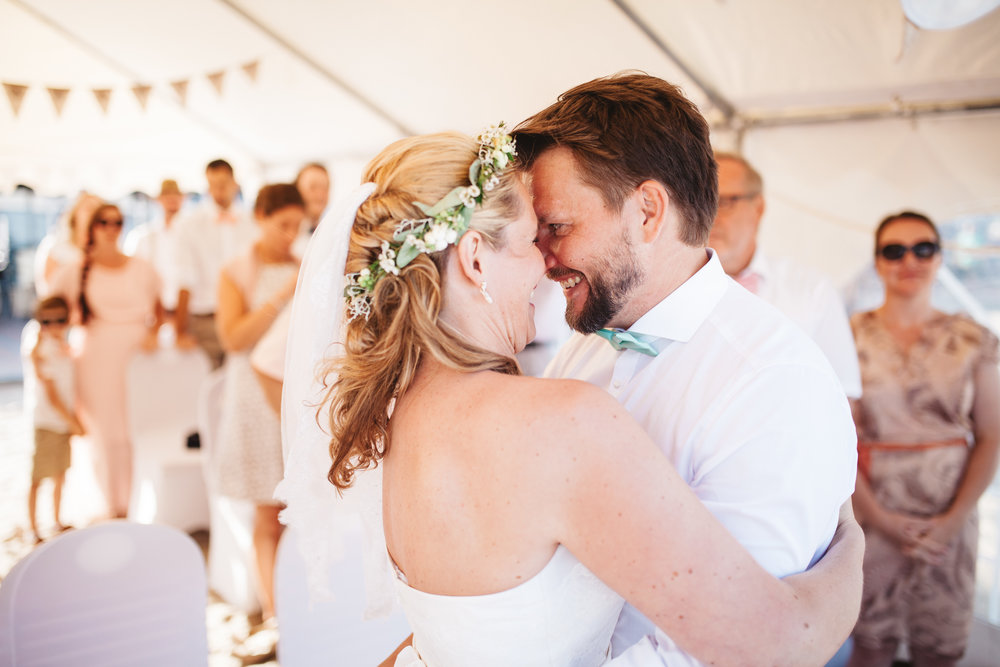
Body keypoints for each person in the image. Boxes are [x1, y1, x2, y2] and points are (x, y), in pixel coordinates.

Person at [280, 127, 864, 667]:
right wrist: (852, 552)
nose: (545, 262)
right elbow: (781, 644)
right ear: (475, 259)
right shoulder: (561, 422)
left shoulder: (399, 421)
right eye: (531, 239)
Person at [513, 73, 859, 664]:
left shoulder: (773, 384)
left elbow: (726, 651)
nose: (541, 255)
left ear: (647, 211)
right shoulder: (588, 342)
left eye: (559, 227)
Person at [847, 211, 1000, 667]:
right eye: (894, 250)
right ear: (877, 261)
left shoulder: (976, 339)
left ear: (939, 257)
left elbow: (992, 436)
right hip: (872, 516)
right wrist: (880, 518)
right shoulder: (849, 336)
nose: (909, 259)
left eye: (923, 248)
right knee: (871, 647)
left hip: (950, 518)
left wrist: (954, 519)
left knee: (939, 649)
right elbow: (840, 440)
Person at [213, 183, 301, 636]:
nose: (291, 234)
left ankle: (304, 601)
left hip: (298, 397)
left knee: (300, 507)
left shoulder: (307, 265)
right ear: (260, 218)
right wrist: (283, 294)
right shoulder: (236, 272)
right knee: (268, 510)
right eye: (282, 224)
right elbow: (233, 339)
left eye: (297, 225)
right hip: (253, 397)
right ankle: (274, 611)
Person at [708, 152, 861, 398]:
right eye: (700, 201)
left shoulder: (811, 289)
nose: (710, 215)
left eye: (725, 202)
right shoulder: (664, 291)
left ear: (758, 208)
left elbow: (843, 393)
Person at [50, 204, 162, 518]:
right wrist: (55, 344)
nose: (111, 228)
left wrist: (154, 333)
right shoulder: (75, 270)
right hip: (96, 359)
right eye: (104, 222)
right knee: (105, 432)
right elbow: (50, 310)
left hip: (139, 360)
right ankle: (112, 504)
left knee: (135, 427)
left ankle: (138, 500)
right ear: (92, 227)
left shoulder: (142, 267)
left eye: (117, 221)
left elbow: (161, 309)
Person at [173, 159, 256, 368]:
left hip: (244, 318)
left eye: (224, 183)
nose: (219, 190)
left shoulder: (251, 223)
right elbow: (185, 278)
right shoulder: (189, 225)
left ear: (234, 184)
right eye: (213, 184)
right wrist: (180, 330)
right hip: (205, 320)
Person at [24, 295, 83, 543]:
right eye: (47, 321)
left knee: (61, 473)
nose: (55, 325)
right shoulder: (40, 348)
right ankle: (33, 526)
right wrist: (73, 421)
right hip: (47, 421)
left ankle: (56, 520)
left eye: (61, 319)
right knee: (38, 477)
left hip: (61, 420)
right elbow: (51, 394)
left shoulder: (60, 345)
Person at [124, 179, 185, 317]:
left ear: (182, 198)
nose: (171, 199)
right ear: (158, 199)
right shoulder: (143, 236)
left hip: (185, 309)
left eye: (175, 194)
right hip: (153, 310)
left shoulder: (192, 234)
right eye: (167, 194)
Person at [33, 192, 101, 296]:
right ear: (75, 214)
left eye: (98, 210)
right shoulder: (55, 247)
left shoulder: (102, 251)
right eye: (89, 209)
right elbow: (48, 288)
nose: (93, 214)